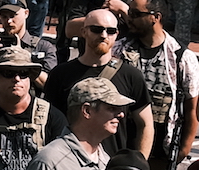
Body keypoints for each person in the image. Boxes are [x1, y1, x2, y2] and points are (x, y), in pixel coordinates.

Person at [47, 11, 154, 157]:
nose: (104, 35)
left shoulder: (131, 75)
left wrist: (140, 164)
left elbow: (145, 124)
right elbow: (49, 122)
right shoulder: (60, 74)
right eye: (96, 29)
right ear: (84, 32)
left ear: (117, 34)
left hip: (113, 168)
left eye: (110, 31)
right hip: (67, 161)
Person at [118, 0, 199, 170]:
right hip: (122, 145)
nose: (129, 18)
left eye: (136, 14)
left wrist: (184, 149)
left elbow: (192, 108)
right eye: (129, 12)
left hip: (161, 152)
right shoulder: (119, 50)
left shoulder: (182, 57)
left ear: (156, 17)